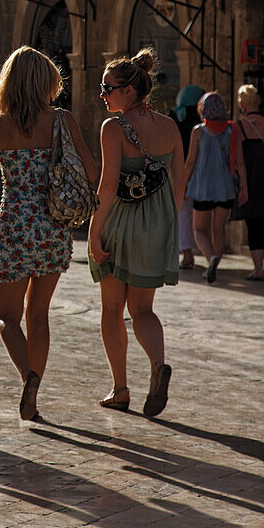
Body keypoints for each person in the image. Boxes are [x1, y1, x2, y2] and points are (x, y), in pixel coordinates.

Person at [0, 46, 96, 422]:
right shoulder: (62, 120)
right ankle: (34, 394)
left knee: (7, 316)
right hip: (54, 227)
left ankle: (29, 378)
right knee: (39, 315)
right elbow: (90, 171)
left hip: (16, 228)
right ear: (47, 81)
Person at [88, 48, 184, 417]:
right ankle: (158, 366)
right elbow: (179, 185)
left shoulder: (112, 128)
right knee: (143, 309)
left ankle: (120, 389)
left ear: (129, 91)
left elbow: (108, 185)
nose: (102, 94)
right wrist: (164, 224)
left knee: (112, 309)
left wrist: (95, 231)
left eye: (107, 88)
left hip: (118, 224)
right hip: (157, 226)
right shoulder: (170, 126)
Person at [183, 91, 247, 284]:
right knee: (219, 229)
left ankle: (210, 258)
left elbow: (191, 161)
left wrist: (183, 183)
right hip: (225, 187)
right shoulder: (232, 130)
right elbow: (240, 162)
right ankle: (215, 266)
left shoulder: (198, 131)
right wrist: (244, 187)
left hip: (202, 187)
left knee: (199, 229)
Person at [169, 84, 204, 269]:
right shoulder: (201, 118)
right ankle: (210, 252)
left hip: (179, 171)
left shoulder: (174, 117)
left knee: (183, 213)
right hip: (204, 174)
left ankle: (187, 253)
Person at [234, 84, 264, 281]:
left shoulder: (239, 126)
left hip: (252, 180)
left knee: (254, 223)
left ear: (242, 104)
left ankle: (258, 269)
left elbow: (239, 162)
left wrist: (243, 188)